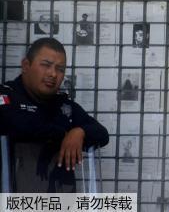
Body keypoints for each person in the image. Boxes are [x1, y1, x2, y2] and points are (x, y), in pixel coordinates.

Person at [0, 38, 109, 192]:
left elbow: (102, 134)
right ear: (26, 65)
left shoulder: (63, 106)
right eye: (46, 65)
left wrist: (79, 132)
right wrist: (64, 134)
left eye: (60, 69)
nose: (53, 74)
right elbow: (15, 123)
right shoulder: (6, 95)